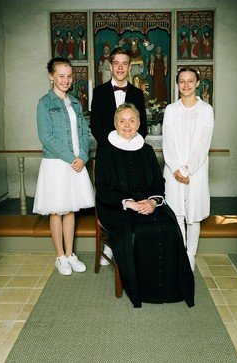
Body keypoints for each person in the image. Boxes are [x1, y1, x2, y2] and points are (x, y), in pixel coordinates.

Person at [95, 103, 195, 308]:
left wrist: (152, 201)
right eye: (122, 121)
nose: (127, 125)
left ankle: (171, 286)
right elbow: (103, 189)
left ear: (139, 123)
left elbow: (158, 183)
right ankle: (141, 288)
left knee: (168, 225)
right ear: (115, 124)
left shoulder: (147, 150)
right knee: (136, 230)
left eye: (132, 120)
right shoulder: (105, 151)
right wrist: (129, 204)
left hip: (147, 202)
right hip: (116, 206)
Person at [33, 57, 95, 276]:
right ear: (51, 76)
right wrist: (71, 158)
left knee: (70, 209)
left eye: (69, 76)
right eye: (60, 76)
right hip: (57, 164)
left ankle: (70, 254)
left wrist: (84, 156)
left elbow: (84, 134)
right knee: (56, 210)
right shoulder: (45, 103)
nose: (65, 80)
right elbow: (46, 137)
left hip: (76, 163)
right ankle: (60, 256)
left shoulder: (76, 103)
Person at [91, 46, 148, 266]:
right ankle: (110, 242)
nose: (121, 67)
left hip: (132, 154)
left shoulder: (137, 93)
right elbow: (96, 125)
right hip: (108, 154)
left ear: (129, 66)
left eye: (125, 63)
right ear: (111, 65)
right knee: (110, 193)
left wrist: (128, 145)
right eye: (117, 63)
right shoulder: (99, 92)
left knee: (132, 191)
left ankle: (131, 238)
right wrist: (113, 146)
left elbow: (141, 126)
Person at [162, 67, 214, 271]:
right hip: (173, 170)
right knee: (177, 214)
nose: (186, 85)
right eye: (182, 81)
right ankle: (180, 253)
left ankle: (190, 255)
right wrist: (176, 168)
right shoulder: (171, 110)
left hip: (196, 170)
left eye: (190, 81)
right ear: (177, 84)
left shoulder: (206, 110)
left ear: (198, 83)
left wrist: (188, 169)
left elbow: (203, 143)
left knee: (193, 214)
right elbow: (168, 141)